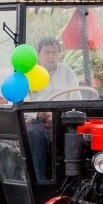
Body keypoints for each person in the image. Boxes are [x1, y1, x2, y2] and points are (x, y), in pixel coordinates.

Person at [27, 37, 81, 181]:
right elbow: (22, 102)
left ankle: (76, 181)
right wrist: (38, 114)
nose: (51, 56)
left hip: (64, 120)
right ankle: (40, 180)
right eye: (46, 52)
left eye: (54, 52)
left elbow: (76, 96)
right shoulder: (29, 73)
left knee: (82, 136)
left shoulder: (67, 72)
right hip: (38, 122)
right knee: (36, 135)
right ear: (38, 55)